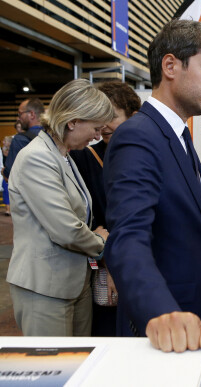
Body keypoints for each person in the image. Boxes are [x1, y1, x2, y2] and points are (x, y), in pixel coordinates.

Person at [103, 19, 201, 386]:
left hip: (195, 328)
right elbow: (127, 237)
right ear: (171, 66)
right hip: (167, 335)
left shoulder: (179, 135)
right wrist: (160, 312)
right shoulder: (139, 137)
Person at [6, 79, 113, 337]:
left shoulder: (62, 154)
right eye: (96, 128)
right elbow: (65, 229)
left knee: (77, 370)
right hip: (44, 288)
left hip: (73, 283)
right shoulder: (37, 157)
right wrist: (100, 239)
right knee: (53, 373)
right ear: (73, 121)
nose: (98, 136)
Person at [69, 80, 142, 337]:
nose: (104, 124)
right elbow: (88, 222)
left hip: (141, 264)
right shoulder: (83, 157)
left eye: (111, 115)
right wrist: (109, 266)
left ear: (133, 116)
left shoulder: (144, 155)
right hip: (101, 265)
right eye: (99, 117)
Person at [2, 98, 45, 180]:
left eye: (20, 114)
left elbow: (10, 173)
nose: (18, 118)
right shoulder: (53, 136)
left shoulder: (20, 139)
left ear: (32, 114)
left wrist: (3, 172)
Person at [1, 135, 12, 216]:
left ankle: (9, 209)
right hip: (4, 173)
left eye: (5, 141)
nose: (3, 142)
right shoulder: (1, 151)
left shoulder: (12, 151)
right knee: (5, 191)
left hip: (10, 172)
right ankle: (8, 209)